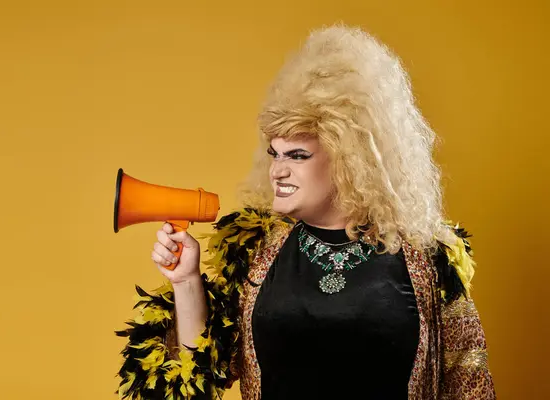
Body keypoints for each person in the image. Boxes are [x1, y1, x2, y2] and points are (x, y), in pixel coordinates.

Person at [115, 24, 496, 399]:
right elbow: (204, 370)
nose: (278, 170)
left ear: (350, 161)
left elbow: (470, 384)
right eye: (274, 154)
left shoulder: (428, 259)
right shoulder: (257, 251)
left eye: (297, 155)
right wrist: (186, 281)